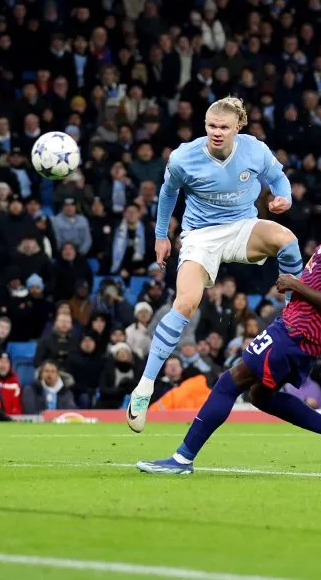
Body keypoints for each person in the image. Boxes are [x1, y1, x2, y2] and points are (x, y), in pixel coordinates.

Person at [136, 177, 321, 475]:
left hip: (298, 330)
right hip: (305, 330)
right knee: (260, 395)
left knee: (230, 382)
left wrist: (296, 285)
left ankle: (181, 460)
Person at [127, 96, 303, 432]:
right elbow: (167, 194)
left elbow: (278, 178)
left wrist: (285, 198)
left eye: (223, 127)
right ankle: (145, 386)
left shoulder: (255, 150)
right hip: (200, 235)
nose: (216, 133)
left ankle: (293, 320)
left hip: (241, 228)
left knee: (288, 240)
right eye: (211, 126)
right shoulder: (184, 157)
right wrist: (161, 236)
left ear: (238, 127)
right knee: (186, 303)